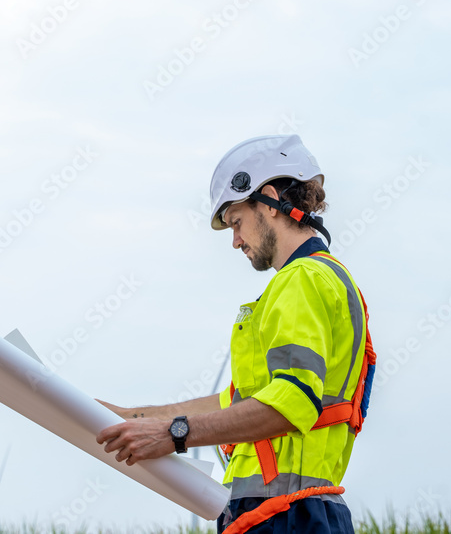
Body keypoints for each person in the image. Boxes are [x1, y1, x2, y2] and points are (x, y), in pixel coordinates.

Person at [96, 134, 374, 534]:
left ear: (270, 200)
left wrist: (173, 434)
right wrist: (127, 417)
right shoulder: (315, 279)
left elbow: (291, 403)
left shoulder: (303, 280)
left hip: (287, 516)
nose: (235, 241)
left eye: (236, 222)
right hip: (288, 513)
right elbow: (235, 403)